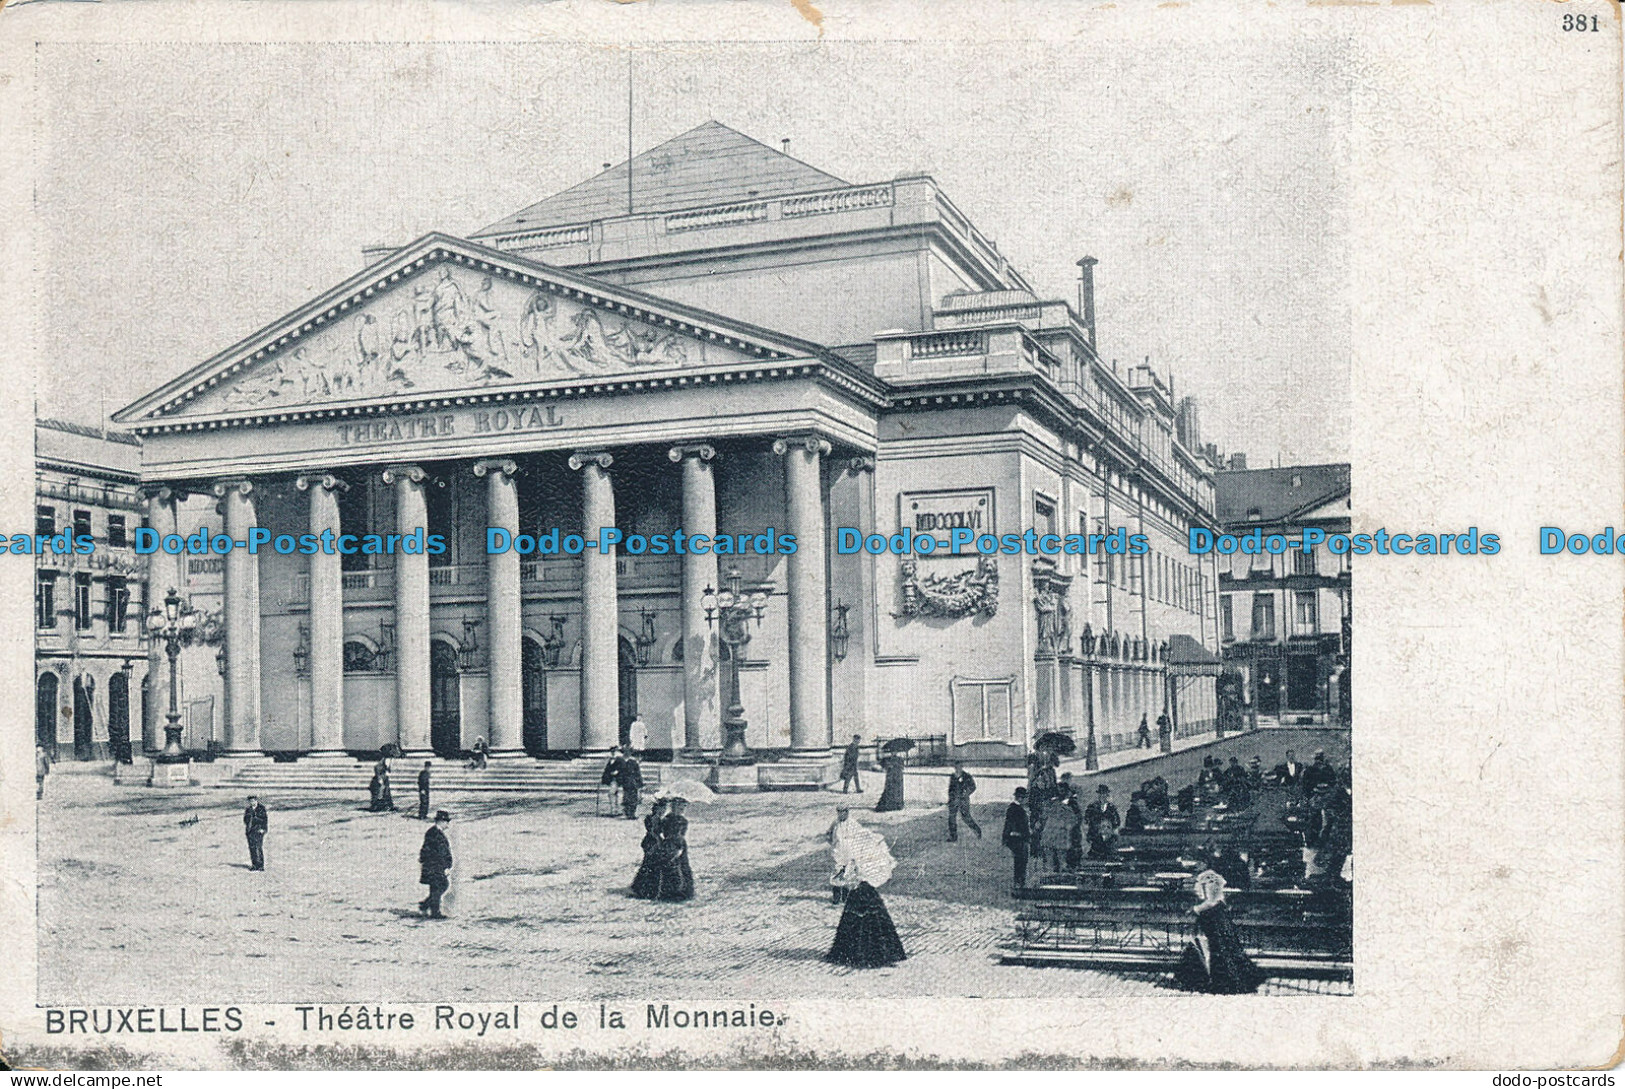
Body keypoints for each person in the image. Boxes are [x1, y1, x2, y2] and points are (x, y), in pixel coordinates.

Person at [826, 815, 905, 969]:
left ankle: (860, 952)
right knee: (871, 917)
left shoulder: (858, 847)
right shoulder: (859, 846)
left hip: (861, 886)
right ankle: (877, 951)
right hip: (863, 887)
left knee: (861, 918)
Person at [1175, 869, 1265, 994]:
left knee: (1220, 948)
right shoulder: (1208, 879)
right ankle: (1210, 979)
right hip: (1212, 918)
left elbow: (1212, 902)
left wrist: (1195, 909)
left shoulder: (1211, 881)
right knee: (1214, 947)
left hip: (1216, 919)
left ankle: (1223, 981)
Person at [656, 797, 695, 902]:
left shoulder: (675, 819)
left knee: (681, 866)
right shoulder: (672, 820)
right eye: (680, 807)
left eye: (684, 807)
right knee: (672, 866)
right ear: (674, 807)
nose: (682, 809)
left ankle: (682, 890)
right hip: (672, 844)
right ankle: (672, 891)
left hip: (677, 844)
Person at [630, 798, 669, 899]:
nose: (663, 811)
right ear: (657, 808)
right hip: (651, 842)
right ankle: (646, 888)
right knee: (650, 864)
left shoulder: (659, 819)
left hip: (654, 842)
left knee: (649, 864)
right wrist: (658, 842)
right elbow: (652, 832)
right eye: (662, 809)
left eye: (665, 809)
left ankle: (644, 887)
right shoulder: (651, 818)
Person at [417, 810, 454, 919]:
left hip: (434, 865)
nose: (448, 824)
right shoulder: (434, 833)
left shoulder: (434, 832)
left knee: (437, 887)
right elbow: (438, 852)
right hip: (435, 866)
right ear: (441, 821)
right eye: (446, 821)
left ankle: (428, 907)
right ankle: (432, 910)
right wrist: (444, 866)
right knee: (441, 886)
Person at [1038, 787, 1080, 873]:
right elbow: (1073, 821)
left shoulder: (1055, 808)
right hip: (1056, 838)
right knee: (1057, 861)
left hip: (1057, 838)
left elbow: (1073, 822)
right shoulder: (1058, 809)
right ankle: (1055, 876)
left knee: (1057, 861)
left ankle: (1054, 876)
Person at [827, 803, 860, 904]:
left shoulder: (853, 824)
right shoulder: (835, 824)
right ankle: (836, 896)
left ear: (847, 812)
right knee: (837, 871)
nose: (841, 814)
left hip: (850, 851)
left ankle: (846, 897)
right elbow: (829, 835)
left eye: (843, 812)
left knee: (848, 873)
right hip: (838, 851)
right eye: (839, 812)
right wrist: (834, 846)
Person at [1001, 788, 1032, 892]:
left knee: (1020, 861)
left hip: (1016, 838)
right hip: (1018, 838)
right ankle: (1019, 882)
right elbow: (1014, 825)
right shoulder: (1016, 809)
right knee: (1021, 861)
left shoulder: (1014, 808)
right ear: (1021, 797)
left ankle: (1019, 882)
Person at [945, 761, 981, 841]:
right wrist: (949, 799)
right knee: (951, 818)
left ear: (961, 767)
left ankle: (977, 831)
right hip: (954, 801)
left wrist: (966, 793)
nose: (957, 769)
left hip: (963, 800)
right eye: (956, 767)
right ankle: (953, 836)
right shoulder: (953, 776)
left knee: (966, 817)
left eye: (959, 767)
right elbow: (950, 789)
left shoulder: (967, 776)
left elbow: (973, 786)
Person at [1084, 784, 1121, 859]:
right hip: (1095, 833)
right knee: (1095, 852)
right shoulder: (1092, 807)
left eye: (1104, 794)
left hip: (1108, 834)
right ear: (1098, 795)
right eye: (1100, 794)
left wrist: (1111, 828)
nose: (1102, 796)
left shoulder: (1112, 808)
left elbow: (1117, 822)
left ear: (1107, 795)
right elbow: (1086, 819)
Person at [243, 795, 268, 871]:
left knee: (258, 847)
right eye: (250, 801)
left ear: (256, 800)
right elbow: (245, 820)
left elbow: (264, 820)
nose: (252, 802)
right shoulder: (248, 809)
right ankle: (254, 865)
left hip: (259, 830)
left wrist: (263, 829)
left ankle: (260, 865)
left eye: (253, 801)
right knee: (252, 848)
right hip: (250, 831)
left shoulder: (261, 808)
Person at [617, 752, 644, 821]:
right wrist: (640, 784)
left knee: (626, 797)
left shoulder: (625, 762)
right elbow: (638, 774)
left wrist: (621, 782)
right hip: (632, 783)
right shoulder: (634, 763)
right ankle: (631, 814)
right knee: (633, 798)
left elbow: (621, 773)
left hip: (626, 783)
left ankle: (627, 813)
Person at [600, 747, 625, 814]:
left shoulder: (620, 759)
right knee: (615, 794)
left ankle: (614, 810)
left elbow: (623, 768)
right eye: (612, 751)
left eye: (614, 751)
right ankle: (616, 810)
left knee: (611, 793)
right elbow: (607, 770)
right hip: (612, 779)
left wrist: (617, 771)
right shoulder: (610, 760)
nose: (613, 753)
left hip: (617, 779)